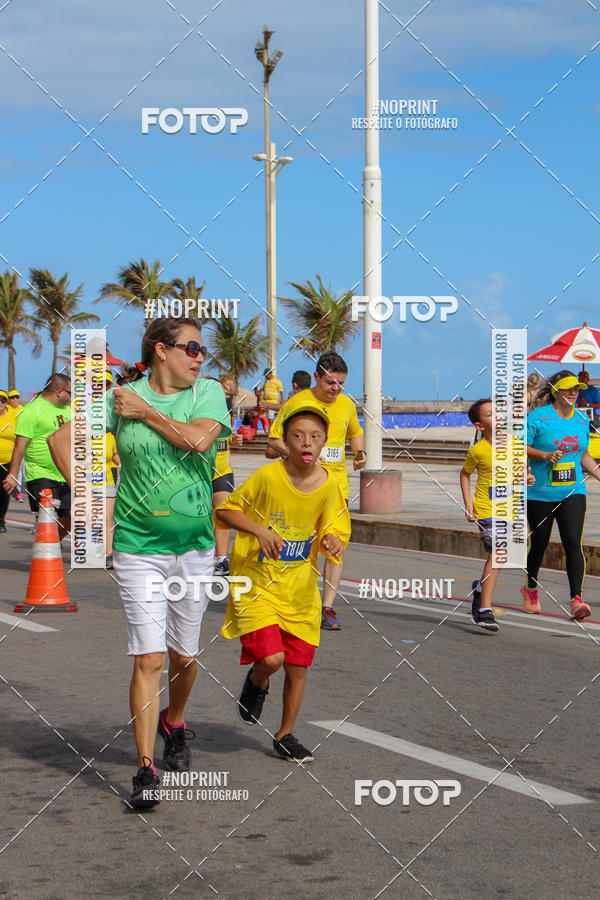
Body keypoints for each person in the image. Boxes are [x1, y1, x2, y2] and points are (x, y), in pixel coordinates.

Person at [48, 317, 231, 809]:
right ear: (160, 350)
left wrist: (146, 412)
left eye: (202, 350)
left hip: (195, 547)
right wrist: (88, 499)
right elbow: (61, 442)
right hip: (136, 547)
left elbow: (197, 440)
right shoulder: (117, 399)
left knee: (184, 658)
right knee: (148, 657)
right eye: (191, 347)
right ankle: (145, 767)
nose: (199, 357)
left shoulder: (207, 393)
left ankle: (175, 719)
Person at [216, 405, 350, 761]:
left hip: (300, 589)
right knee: (272, 658)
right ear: (286, 442)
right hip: (256, 581)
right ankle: (258, 680)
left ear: (324, 442)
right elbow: (225, 510)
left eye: (315, 436)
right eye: (298, 435)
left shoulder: (329, 483)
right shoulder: (267, 476)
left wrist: (333, 539)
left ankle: (285, 734)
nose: (307, 442)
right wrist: (260, 530)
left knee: (298, 665)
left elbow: (335, 525)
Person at [266, 350, 366, 630]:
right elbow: (274, 440)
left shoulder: (346, 404)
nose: (336, 389)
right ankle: (299, 601)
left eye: (341, 384)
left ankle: (328, 608)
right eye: (330, 383)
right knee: (305, 546)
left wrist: (360, 452)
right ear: (316, 377)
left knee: (335, 547)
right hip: (302, 486)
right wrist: (299, 454)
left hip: (336, 487)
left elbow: (355, 432)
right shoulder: (298, 403)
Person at [523, 371, 600, 620]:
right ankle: (531, 589)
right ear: (556, 391)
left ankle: (576, 600)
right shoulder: (538, 417)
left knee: (572, 543)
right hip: (540, 493)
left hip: (573, 490)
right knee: (539, 544)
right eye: (567, 389)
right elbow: (519, 448)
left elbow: (583, 456)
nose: (573, 393)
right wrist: (544, 456)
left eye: (576, 389)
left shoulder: (580, 419)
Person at [460, 399, 535, 631]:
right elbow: (464, 474)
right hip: (486, 509)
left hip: (510, 509)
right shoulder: (477, 451)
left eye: (499, 412)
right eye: (490, 414)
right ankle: (485, 610)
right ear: (479, 426)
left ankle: (480, 590)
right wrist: (467, 505)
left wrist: (527, 478)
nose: (498, 416)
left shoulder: (515, 444)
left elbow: (521, 473)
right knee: (499, 551)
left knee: (499, 557)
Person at [2, 374, 72, 540]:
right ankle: (48, 548)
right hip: (41, 474)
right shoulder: (33, 410)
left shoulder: (69, 411)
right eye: (70, 392)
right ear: (60, 392)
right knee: (48, 518)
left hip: (66, 474)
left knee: (70, 521)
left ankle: (52, 544)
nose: (71, 396)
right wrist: (12, 474)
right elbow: (20, 445)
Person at [211, 374, 242, 576]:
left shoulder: (227, 413)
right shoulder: (196, 413)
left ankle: (222, 559)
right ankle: (203, 557)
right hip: (200, 472)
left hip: (222, 471)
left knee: (223, 513)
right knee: (203, 517)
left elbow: (226, 443)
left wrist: (234, 440)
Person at [0, 390, 18, 532]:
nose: (0, 403)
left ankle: (1, 520)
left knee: (4, 492)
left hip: (7, 461)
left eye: (3, 400)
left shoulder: (14, 416)